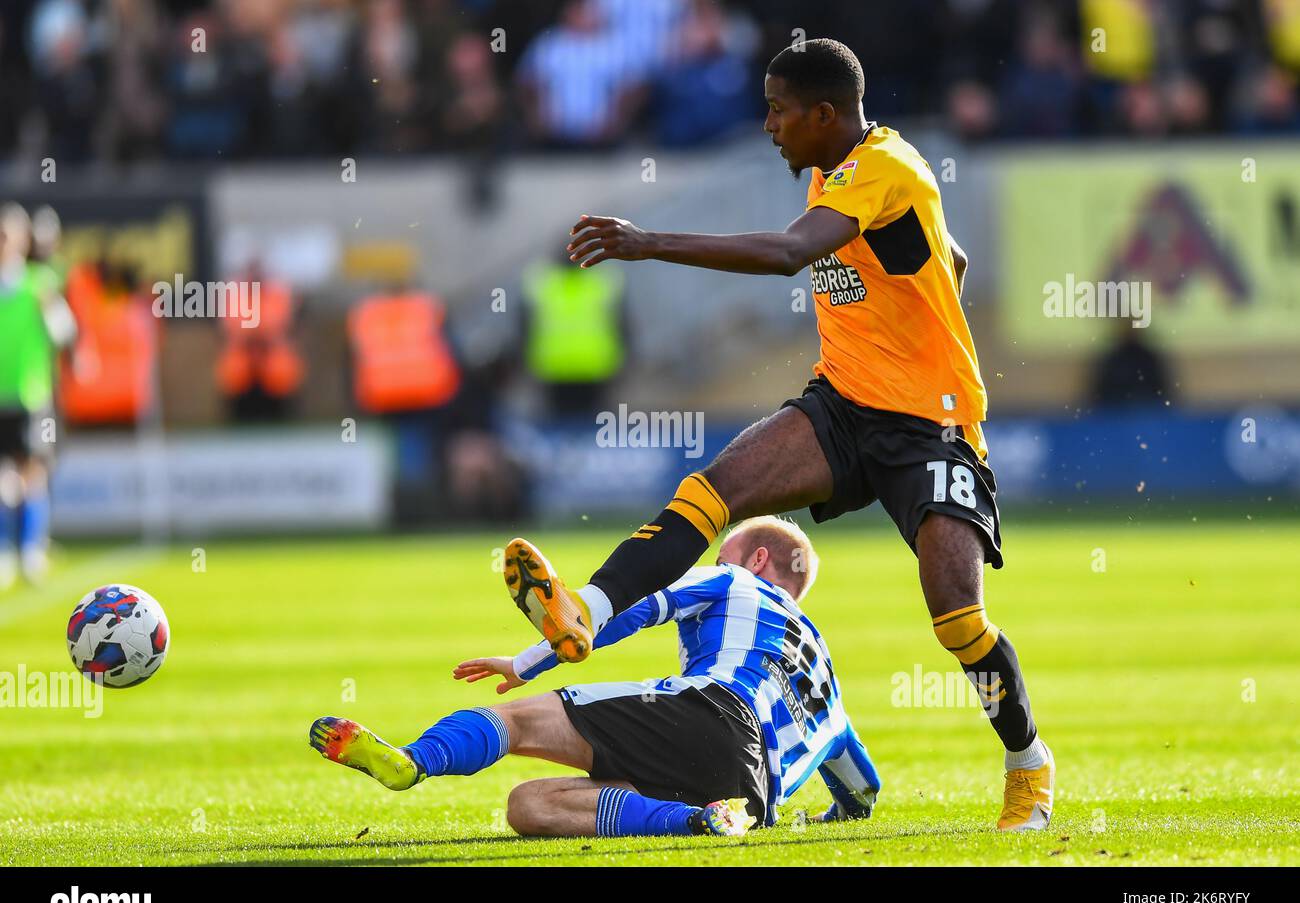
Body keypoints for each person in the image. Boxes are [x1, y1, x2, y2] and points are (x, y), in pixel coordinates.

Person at [500, 39, 1053, 832]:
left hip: (930, 427)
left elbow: (792, 254)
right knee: (712, 489)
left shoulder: (885, 169)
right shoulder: (840, 174)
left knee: (956, 617)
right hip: (844, 407)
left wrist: (649, 242)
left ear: (825, 114)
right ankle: (583, 607)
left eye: (779, 110)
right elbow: (949, 256)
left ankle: (1028, 764)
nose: (768, 126)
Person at [310, 517, 880, 838]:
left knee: (512, 720)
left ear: (756, 560)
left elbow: (632, 608)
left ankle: (414, 762)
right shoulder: (827, 678)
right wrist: (823, 819)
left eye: (723, 553)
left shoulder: (736, 584)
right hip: (749, 790)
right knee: (529, 807)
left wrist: (527, 661)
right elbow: (862, 791)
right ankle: (698, 822)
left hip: (711, 710)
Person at [0, 204, 76, 588]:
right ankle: (4, 553)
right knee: (3, 477)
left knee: (32, 471)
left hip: (30, 394)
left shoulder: (38, 283)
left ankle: (31, 550)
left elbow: (64, 332)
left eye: (6, 236)